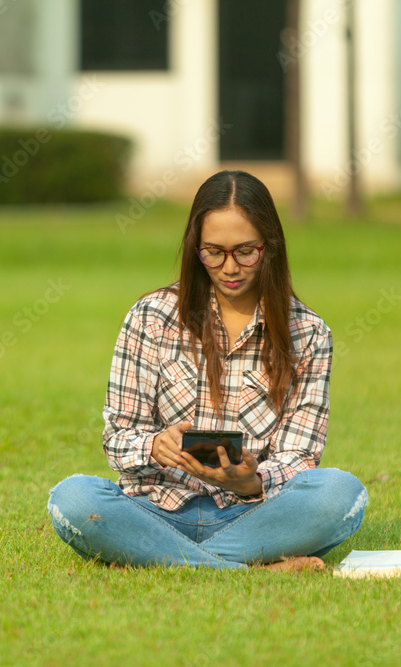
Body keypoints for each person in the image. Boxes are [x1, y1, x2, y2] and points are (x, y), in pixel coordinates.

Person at [47, 170, 367, 571]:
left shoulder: (309, 334)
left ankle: (156, 559)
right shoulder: (151, 318)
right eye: (213, 252)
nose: (229, 267)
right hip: (154, 511)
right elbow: (117, 438)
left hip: (250, 515)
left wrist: (249, 481)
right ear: (195, 249)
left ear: (270, 248)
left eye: (245, 251)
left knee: (343, 494)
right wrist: (154, 445)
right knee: (73, 499)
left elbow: (299, 457)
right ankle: (242, 568)